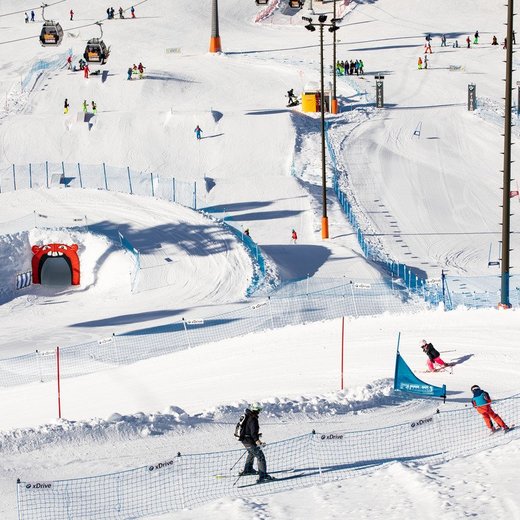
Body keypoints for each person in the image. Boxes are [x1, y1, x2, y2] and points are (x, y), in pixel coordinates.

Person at [238, 403, 274, 483]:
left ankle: (248, 470)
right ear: (257, 410)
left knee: (251, 453)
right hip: (250, 441)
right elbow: (253, 433)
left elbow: (248, 429)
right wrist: (257, 441)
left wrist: (256, 436)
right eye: (259, 410)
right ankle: (263, 476)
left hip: (244, 440)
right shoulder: (253, 419)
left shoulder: (247, 415)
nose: (259, 412)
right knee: (260, 456)